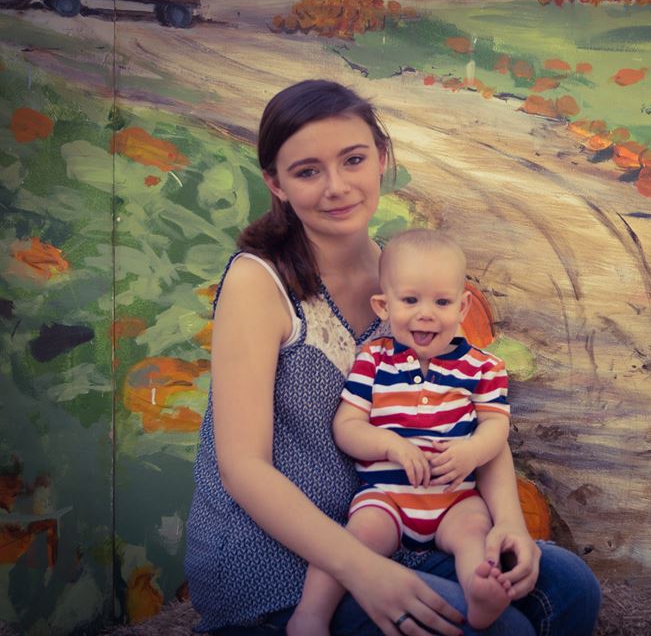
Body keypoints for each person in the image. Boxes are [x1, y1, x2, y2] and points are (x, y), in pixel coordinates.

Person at [183, 79, 601, 636]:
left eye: (353, 159)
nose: (336, 186)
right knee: (503, 632)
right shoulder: (257, 281)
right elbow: (243, 469)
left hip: (400, 526)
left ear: (381, 159)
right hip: (278, 555)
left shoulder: (407, 285)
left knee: (570, 586)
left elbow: (478, 417)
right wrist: (363, 572)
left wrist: (510, 524)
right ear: (275, 184)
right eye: (307, 171)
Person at [289, 229, 515, 635]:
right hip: (388, 497)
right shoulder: (374, 361)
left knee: (473, 533)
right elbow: (347, 428)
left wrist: (472, 451)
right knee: (358, 535)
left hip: (454, 498)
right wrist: (389, 444)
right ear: (383, 306)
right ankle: (310, 615)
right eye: (410, 300)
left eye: (441, 302)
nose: (426, 313)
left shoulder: (483, 367)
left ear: (463, 307)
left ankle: (479, 595)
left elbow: (496, 427)